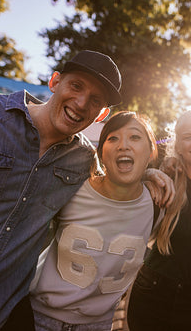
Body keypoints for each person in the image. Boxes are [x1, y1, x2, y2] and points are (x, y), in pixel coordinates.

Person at [0, 50, 172, 331]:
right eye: (76, 86)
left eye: (96, 100)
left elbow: (113, 178)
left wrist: (147, 173)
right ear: (54, 81)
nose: (80, 102)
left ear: (101, 113)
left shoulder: (82, 160)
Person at [29, 111, 161, 331]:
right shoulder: (73, 188)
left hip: (99, 324)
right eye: (112, 138)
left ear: (151, 152)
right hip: (38, 316)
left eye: (135, 137)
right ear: (101, 153)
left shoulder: (159, 203)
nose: (123, 145)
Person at [126, 109, 191, 331]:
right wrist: (148, 174)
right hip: (152, 291)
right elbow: (124, 191)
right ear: (179, 145)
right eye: (188, 137)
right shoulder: (166, 182)